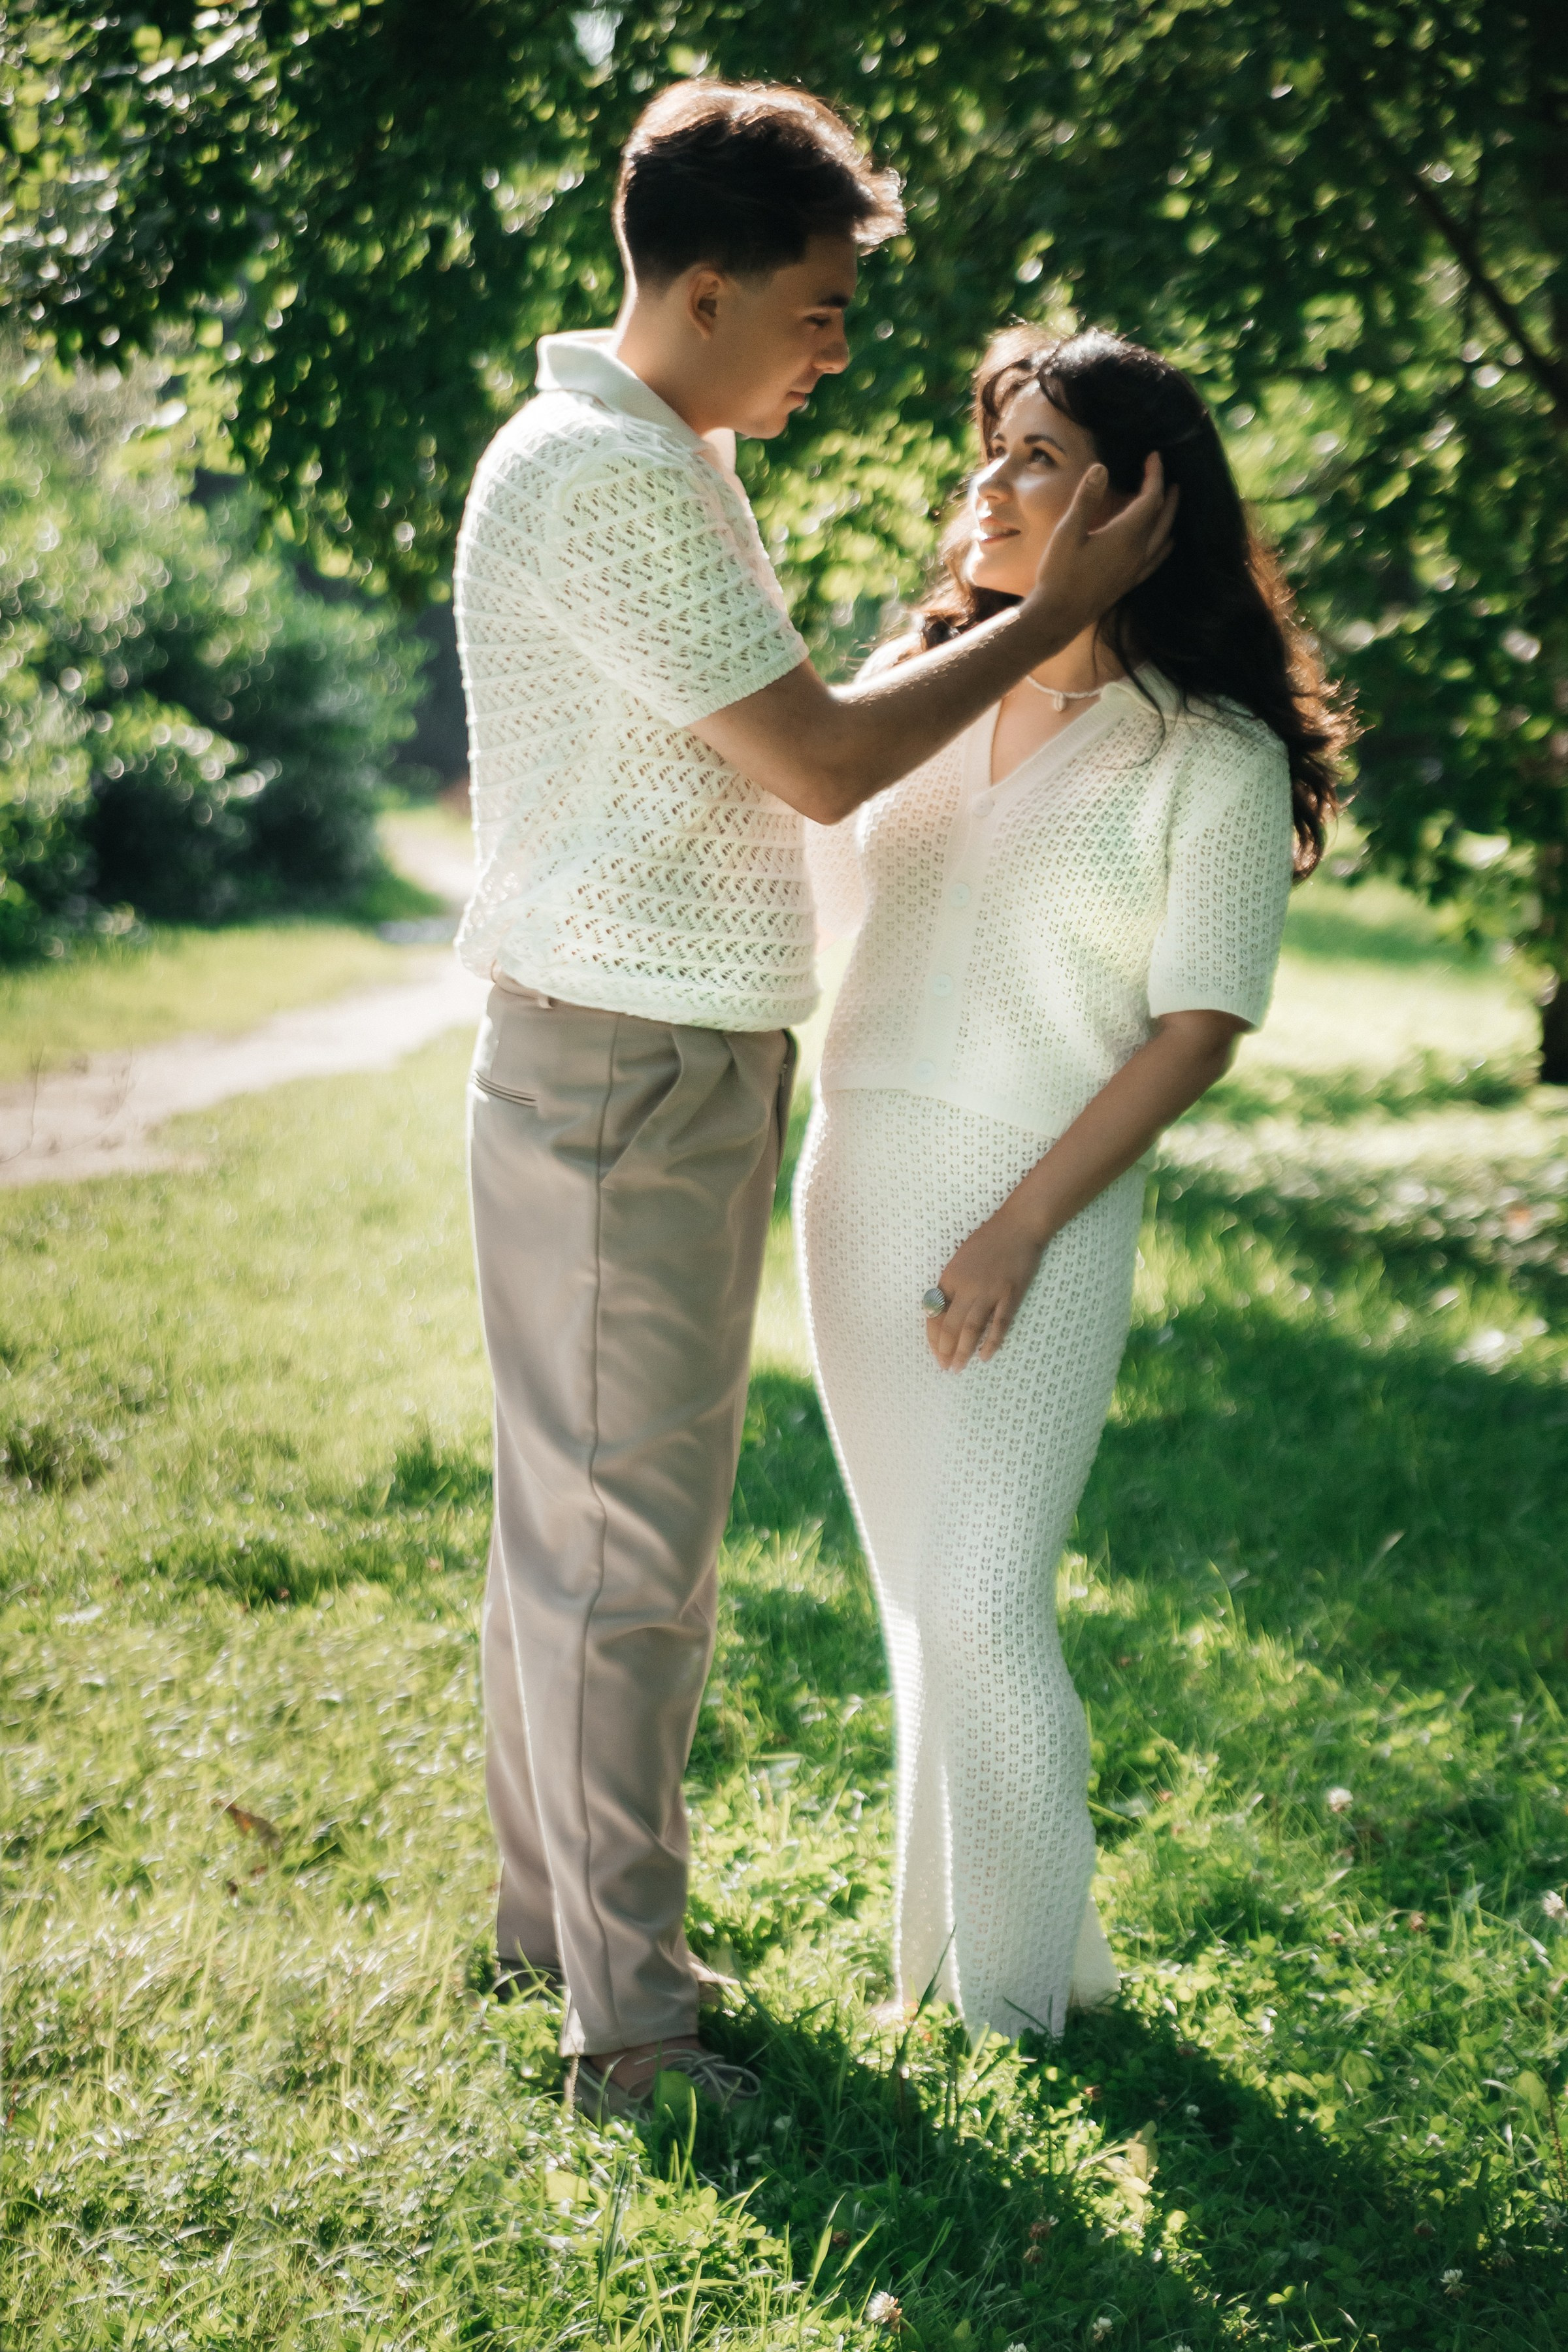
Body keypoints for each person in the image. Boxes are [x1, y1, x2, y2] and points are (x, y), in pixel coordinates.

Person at [453, 80, 1176, 2122]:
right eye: (822, 308)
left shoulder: (656, 452)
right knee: (629, 1559)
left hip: (640, 1052)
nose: (843, 350)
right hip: (629, 1063)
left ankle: (556, 1932)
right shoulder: (607, 473)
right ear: (704, 291)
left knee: (574, 1531)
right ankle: (632, 2035)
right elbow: (823, 761)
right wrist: (1054, 614)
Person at [797, 325, 1352, 2043]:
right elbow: (803, 908)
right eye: (991, 447)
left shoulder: (1209, 751)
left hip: (1034, 1204)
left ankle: (1026, 2012)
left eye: (1036, 453)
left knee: (982, 1593)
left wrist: (1021, 1224)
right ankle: (953, 1963)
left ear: (1140, 502)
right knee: (916, 1597)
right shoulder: (916, 685)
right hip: (856, 1173)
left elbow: (1199, 1029)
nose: (989, 482)